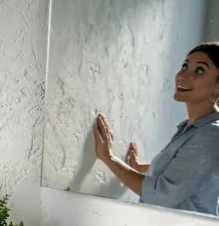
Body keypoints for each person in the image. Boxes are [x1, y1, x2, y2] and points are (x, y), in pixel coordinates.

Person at [94, 42, 219, 216]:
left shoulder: (211, 135)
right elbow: (184, 169)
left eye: (199, 70)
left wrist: (108, 158)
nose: (182, 75)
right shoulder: (193, 128)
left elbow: (161, 195)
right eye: (185, 66)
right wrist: (141, 167)